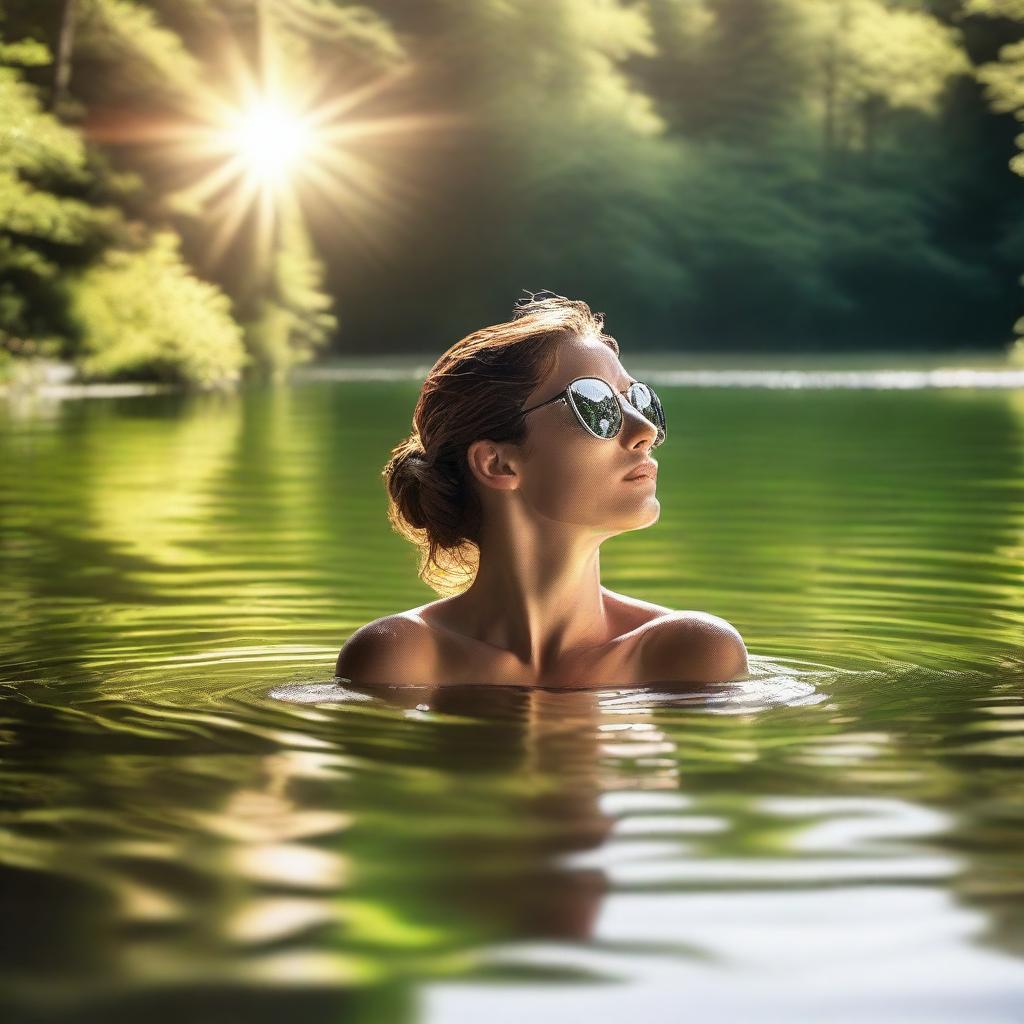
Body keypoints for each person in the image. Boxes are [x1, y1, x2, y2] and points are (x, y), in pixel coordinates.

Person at [335, 291, 748, 688]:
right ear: (498, 463)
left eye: (637, 400)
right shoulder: (398, 658)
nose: (646, 430)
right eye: (594, 405)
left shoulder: (690, 653)